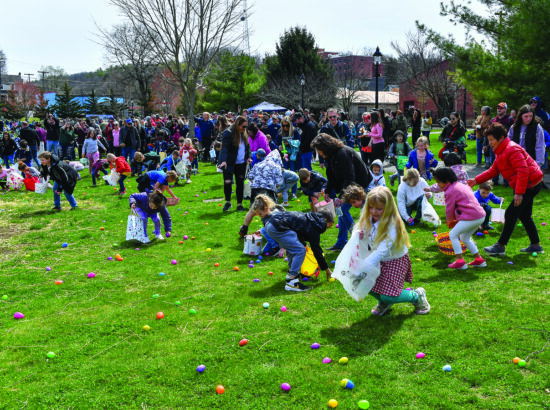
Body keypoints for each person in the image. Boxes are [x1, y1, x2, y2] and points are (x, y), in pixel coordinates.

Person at [468, 123, 544, 256]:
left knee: (510, 214)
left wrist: (519, 193)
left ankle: (500, 246)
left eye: (492, 140)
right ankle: (536, 245)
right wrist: (476, 180)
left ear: (501, 138)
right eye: (489, 140)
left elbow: (523, 171)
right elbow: (493, 170)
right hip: (526, 184)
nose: (490, 142)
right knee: (525, 215)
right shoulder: (501, 151)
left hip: (530, 184)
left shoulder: (512, 150)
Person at [354, 186, 430, 316]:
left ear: (388, 208)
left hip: (393, 261)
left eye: (379, 208)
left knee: (389, 295)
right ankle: (383, 301)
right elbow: (361, 233)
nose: (374, 211)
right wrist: (359, 235)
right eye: (371, 207)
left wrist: (363, 267)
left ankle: (417, 295)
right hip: (376, 259)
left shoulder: (392, 225)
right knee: (364, 284)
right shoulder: (369, 218)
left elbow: (382, 251)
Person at [311, 133, 372, 251]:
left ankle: (357, 238)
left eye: (319, 149)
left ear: (325, 146)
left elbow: (349, 177)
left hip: (359, 184)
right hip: (349, 185)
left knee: (342, 209)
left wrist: (341, 196)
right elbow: (331, 175)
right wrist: (328, 190)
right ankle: (341, 242)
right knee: (339, 210)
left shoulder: (342, 153)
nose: (318, 152)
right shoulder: (330, 155)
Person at [263, 198, 334, 290]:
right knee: (300, 251)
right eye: (329, 225)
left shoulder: (309, 219)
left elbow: (298, 232)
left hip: (271, 224)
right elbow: (317, 250)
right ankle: (292, 282)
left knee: (293, 249)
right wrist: (327, 269)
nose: (327, 228)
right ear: (324, 220)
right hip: (277, 227)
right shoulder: (316, 225)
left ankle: (290, 275)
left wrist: (304, 244)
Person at [432, 167, 486, 270]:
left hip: (472, 217)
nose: (438, 185)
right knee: (465, 238)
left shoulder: (450, 191)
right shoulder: (461, 185)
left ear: (446, 180)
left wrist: (450, 220)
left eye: (438, 182)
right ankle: (479, 260)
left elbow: (449, 208)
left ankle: (460, 262)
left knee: (453, 234)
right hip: (480, 215)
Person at [238, 150, 283, 237]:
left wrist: (257, 183)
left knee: (252, 209)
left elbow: (250, 176)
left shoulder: (258, 164)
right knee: (271, 210)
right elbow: (279, 182)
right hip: (269, 189)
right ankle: (271, 231)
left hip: (255, 189)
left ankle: (244, 228)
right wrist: (275, 187)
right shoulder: (276, 166)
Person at [218, 116, 252, 212]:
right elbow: (224, 148)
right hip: (229, 162)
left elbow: (248, 147)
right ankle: (228, 202)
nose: (245, 128)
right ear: (238, 124)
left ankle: (239, 204)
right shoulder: (228, 133)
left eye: (246, 126)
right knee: (227, 182)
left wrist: (249, 157)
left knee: (240, 183)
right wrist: (224, 161)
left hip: (241, 163)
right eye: (243, 126)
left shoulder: (244, 134)